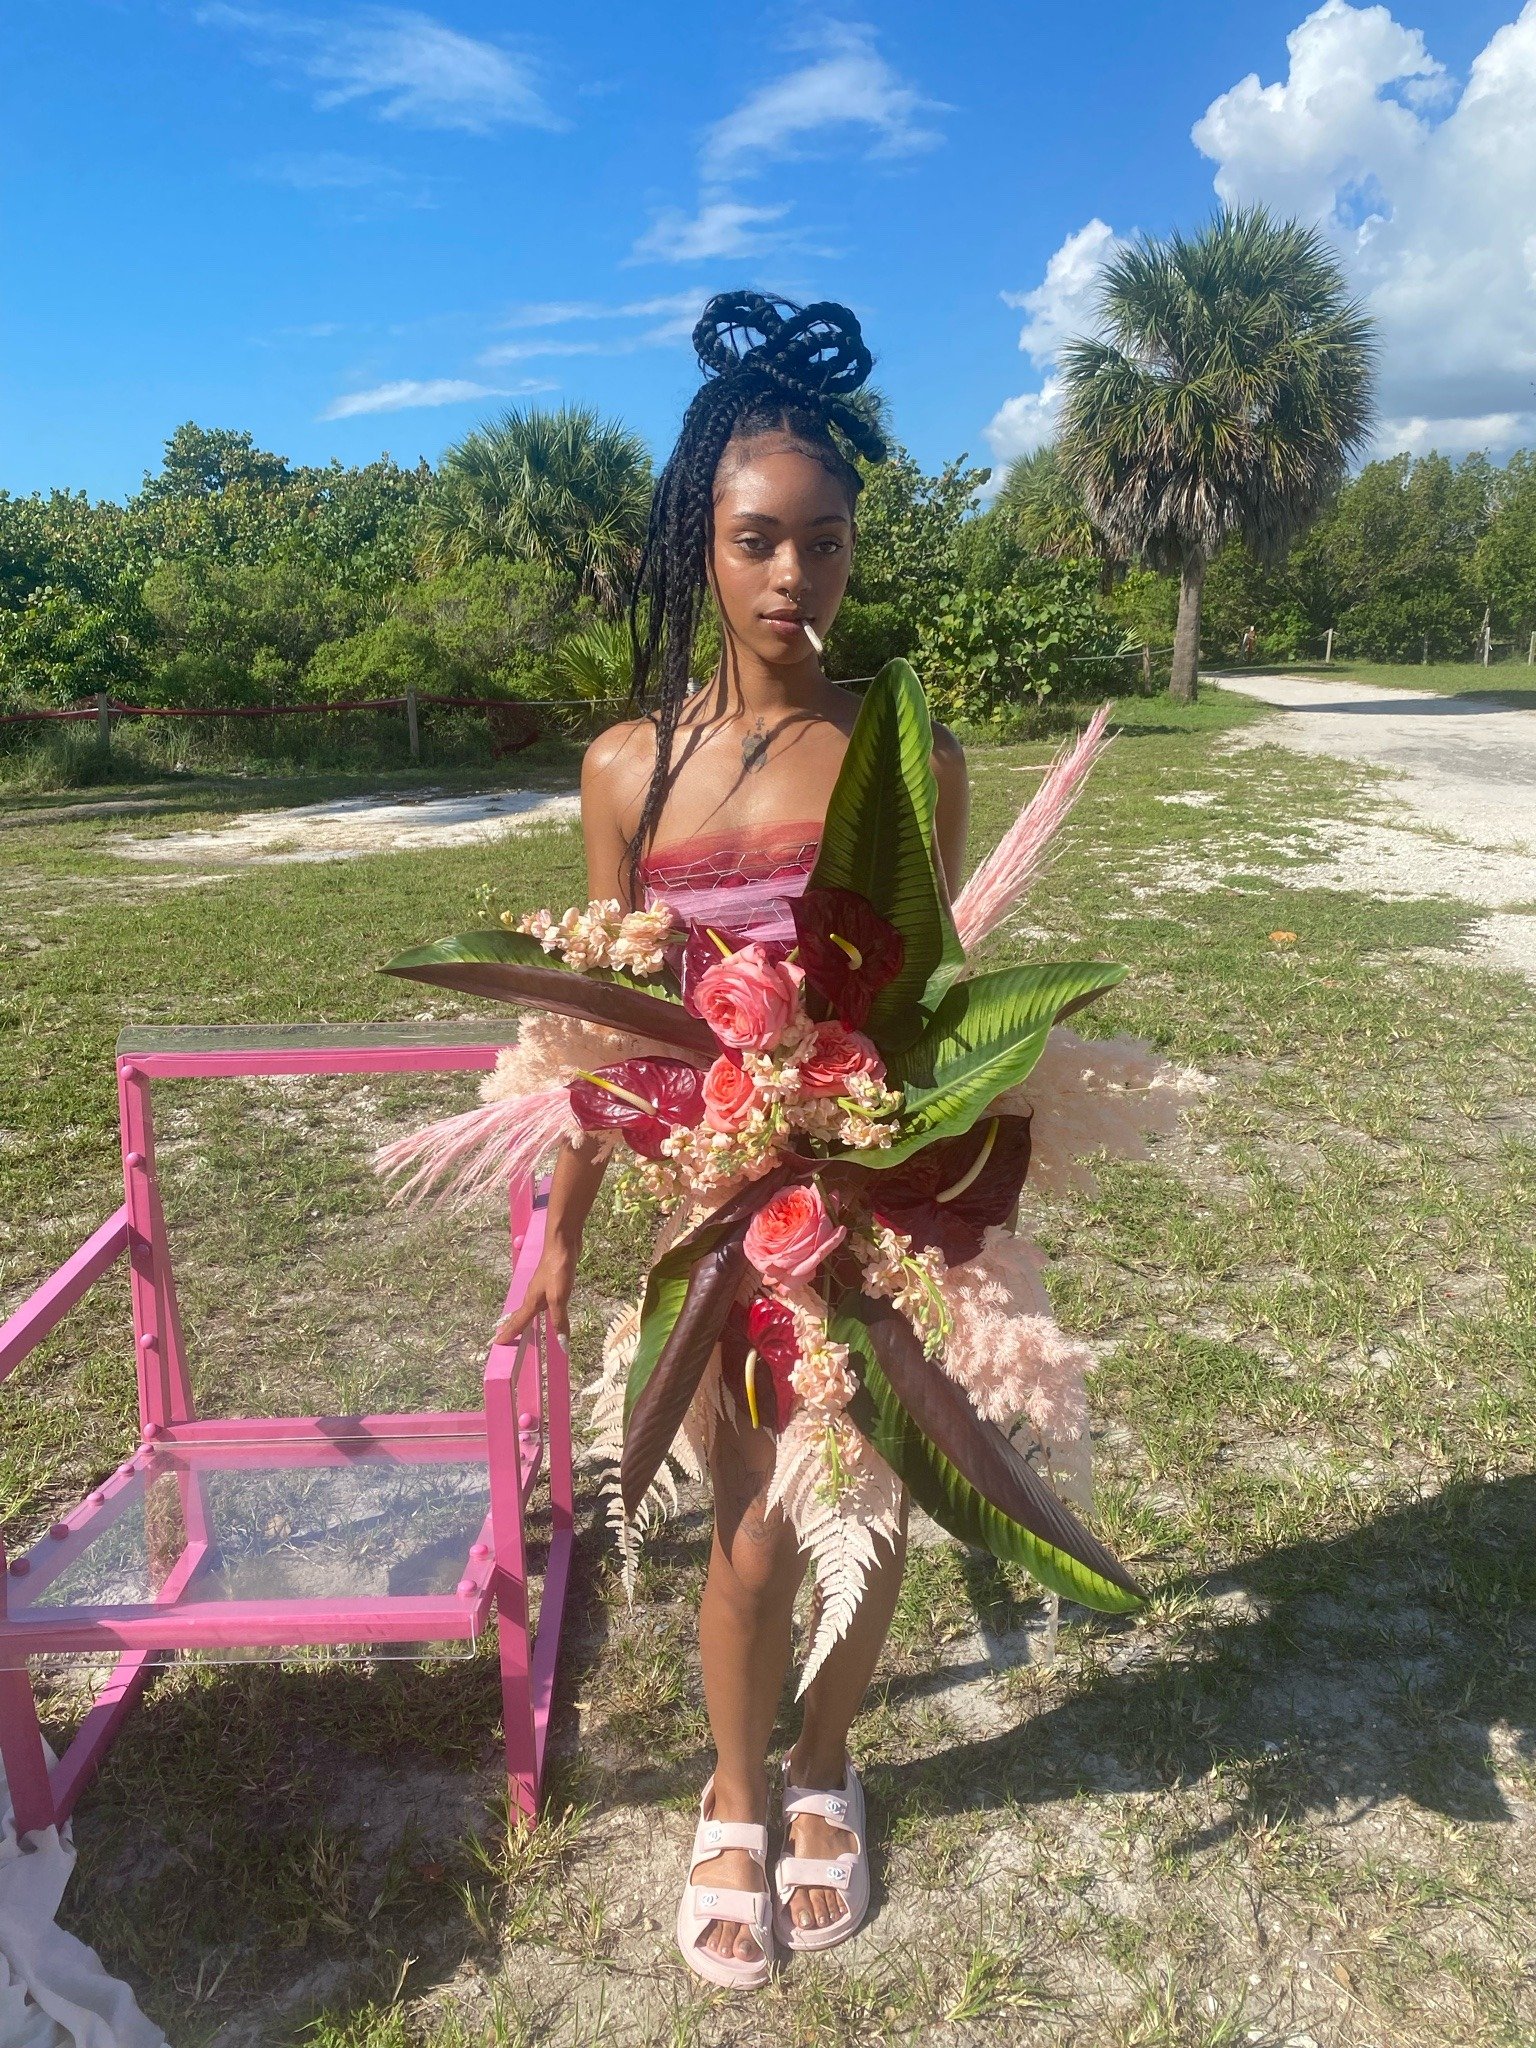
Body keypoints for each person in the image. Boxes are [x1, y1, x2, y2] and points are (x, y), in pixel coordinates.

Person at [499, 292, 968, 1985]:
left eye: (824, 544)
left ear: (852, 553)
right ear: (700, 542)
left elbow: (927, 1004)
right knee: (752, 1520)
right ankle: (731, 1787)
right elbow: (607, 1027)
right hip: (712, 1204)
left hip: (869, 1194)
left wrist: (916, 1172)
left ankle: (827, 1762)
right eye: (757, 540)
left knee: (872, 1509)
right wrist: (559, 1232)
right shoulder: (629, 765)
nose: (793, 578)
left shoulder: (905, 748)